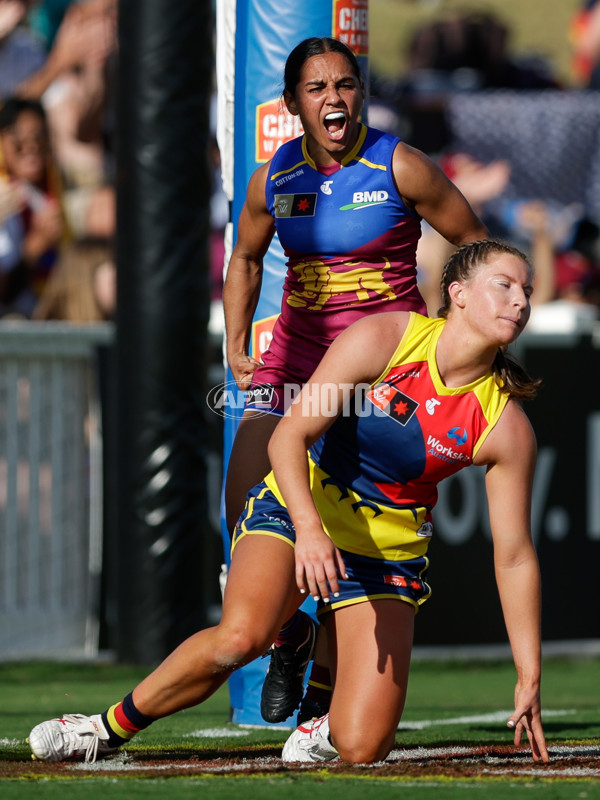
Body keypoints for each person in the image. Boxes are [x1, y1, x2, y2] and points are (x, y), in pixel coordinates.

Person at [27, 239, 548, 765]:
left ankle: (323, 721)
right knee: (239, 639)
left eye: (526, 291)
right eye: (504, 286)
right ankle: (104, 727)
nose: (520, 302)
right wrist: (310, 530)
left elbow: (514, 556)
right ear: (456, 293)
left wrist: (529, 674)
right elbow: (287, 437)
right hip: (299, 507)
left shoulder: (505, 425)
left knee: (364, 745)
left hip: (384, 554)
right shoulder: (385, 338)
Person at [221, 36, 487, 725]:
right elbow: (246, 259)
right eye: (317, 89)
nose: (334, 98)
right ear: (292, 106)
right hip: (293, 364)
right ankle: (292, 636)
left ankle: (329, 680)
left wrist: (447, 325)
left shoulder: (401, 165)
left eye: (345, 85)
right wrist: (233, 337)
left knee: (352, 529)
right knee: (242, 504)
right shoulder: (274, 177)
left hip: (379, 374)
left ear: (359, 94)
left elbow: (476, 244)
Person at [0, 96, 66, 318]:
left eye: (39, 137)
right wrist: (35, 247)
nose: (31, 147)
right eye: (19, 141)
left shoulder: (58, 187)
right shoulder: (3, 197)